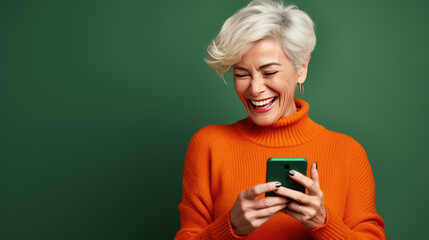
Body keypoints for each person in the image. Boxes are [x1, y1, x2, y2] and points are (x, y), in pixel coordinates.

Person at [175, 0, 386, 239]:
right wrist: (230, 226)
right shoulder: (208, 145)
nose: (255, 89)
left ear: (301, 68)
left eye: (269, 72)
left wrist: (324, 224)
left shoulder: (348, 152)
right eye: (241, 74)